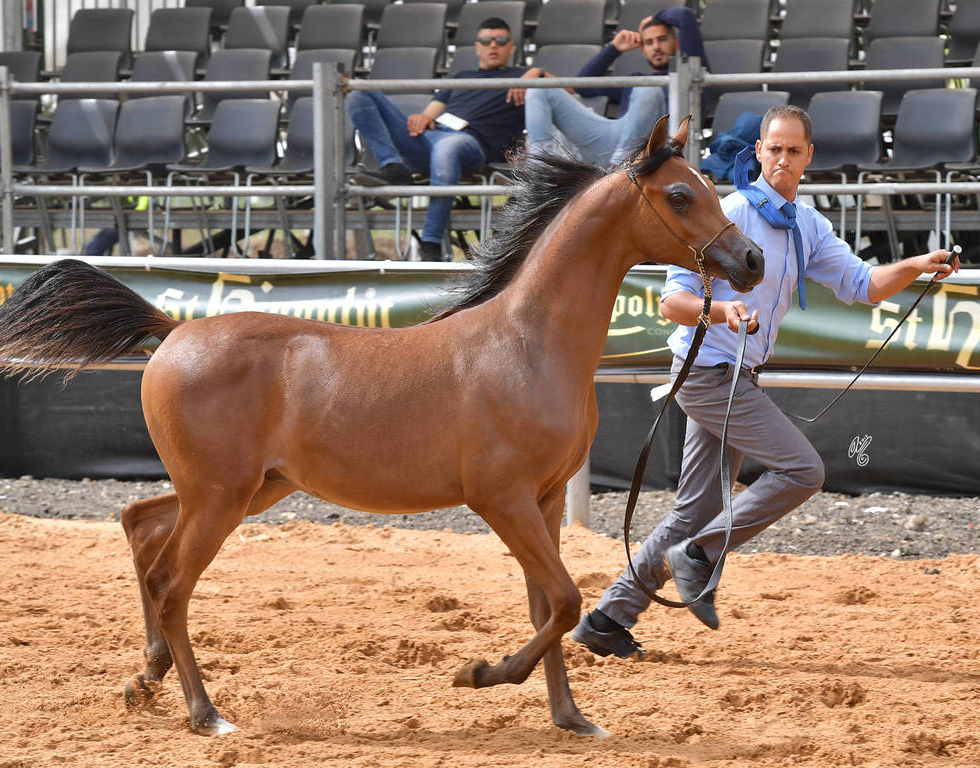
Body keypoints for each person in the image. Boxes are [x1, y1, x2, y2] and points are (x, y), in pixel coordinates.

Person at [572, 105, 959, 659]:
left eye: (793, 150)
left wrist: (917, 264)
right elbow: (671, 300)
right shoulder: (728, 213)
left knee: (693, 509)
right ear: (758, 152)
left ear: (808, 157)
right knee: (803, 470)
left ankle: (608, 617)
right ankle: (699, 555)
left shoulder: (809, 225)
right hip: (706, 372)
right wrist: (724, 311)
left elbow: (864, 285)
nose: (783, 159)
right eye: (773, 148)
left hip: (737, 377)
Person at [348, 18, 541, 261]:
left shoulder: (522, 78)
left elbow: (569, 91)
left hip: (471, 143)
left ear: (511, 47)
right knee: (358, 92)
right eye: (486, 41)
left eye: (500, 41)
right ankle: (393, 166)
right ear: (477, 46)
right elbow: (432, 111)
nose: (493, 46)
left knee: (447, 148)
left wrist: (537, 73)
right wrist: (422, 118)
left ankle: (431, 243)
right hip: (432, 137)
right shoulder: (460, 77)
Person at [524, 6, 708, 166]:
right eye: (649, 42)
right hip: (614, 142)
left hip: (655, 144)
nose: (656, 47)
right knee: (540, 89)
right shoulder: (635, 80)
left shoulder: (692, 73)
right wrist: (614, 48)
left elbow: (684, 16)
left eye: (662, 39)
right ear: (642, 49)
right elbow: (583, 85)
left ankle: (623, 165)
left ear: (676, 44)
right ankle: (539, 167)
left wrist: (654, 18)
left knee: (647, 87)